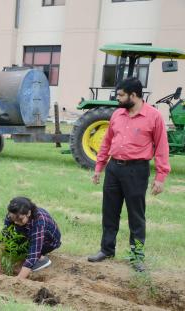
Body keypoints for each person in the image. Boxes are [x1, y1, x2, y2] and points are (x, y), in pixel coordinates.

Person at [88, 77, 171, 272]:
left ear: (133, 95)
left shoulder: (154, 117)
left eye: (121, 95)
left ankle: (136, 256)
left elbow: (161, 148)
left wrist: (161, 177)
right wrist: (99, 167)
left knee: (136, 215)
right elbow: (107, 142)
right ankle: (106, 250)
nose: (118, 99)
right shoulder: (117, 114)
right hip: (114, 169)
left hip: (137, 170)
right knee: (109, 212)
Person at [0, 197, 62, 279]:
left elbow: (33, 254)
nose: (16, 222)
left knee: (21, 267)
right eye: (13, 219)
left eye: (20, 219)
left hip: (49, 241)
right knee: (13, 253)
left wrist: (18, 280)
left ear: (28, 213)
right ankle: (24, 258)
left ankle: (41, 259)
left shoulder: (39, 222)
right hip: (27, 232)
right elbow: (3, 238)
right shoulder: (13, 215)